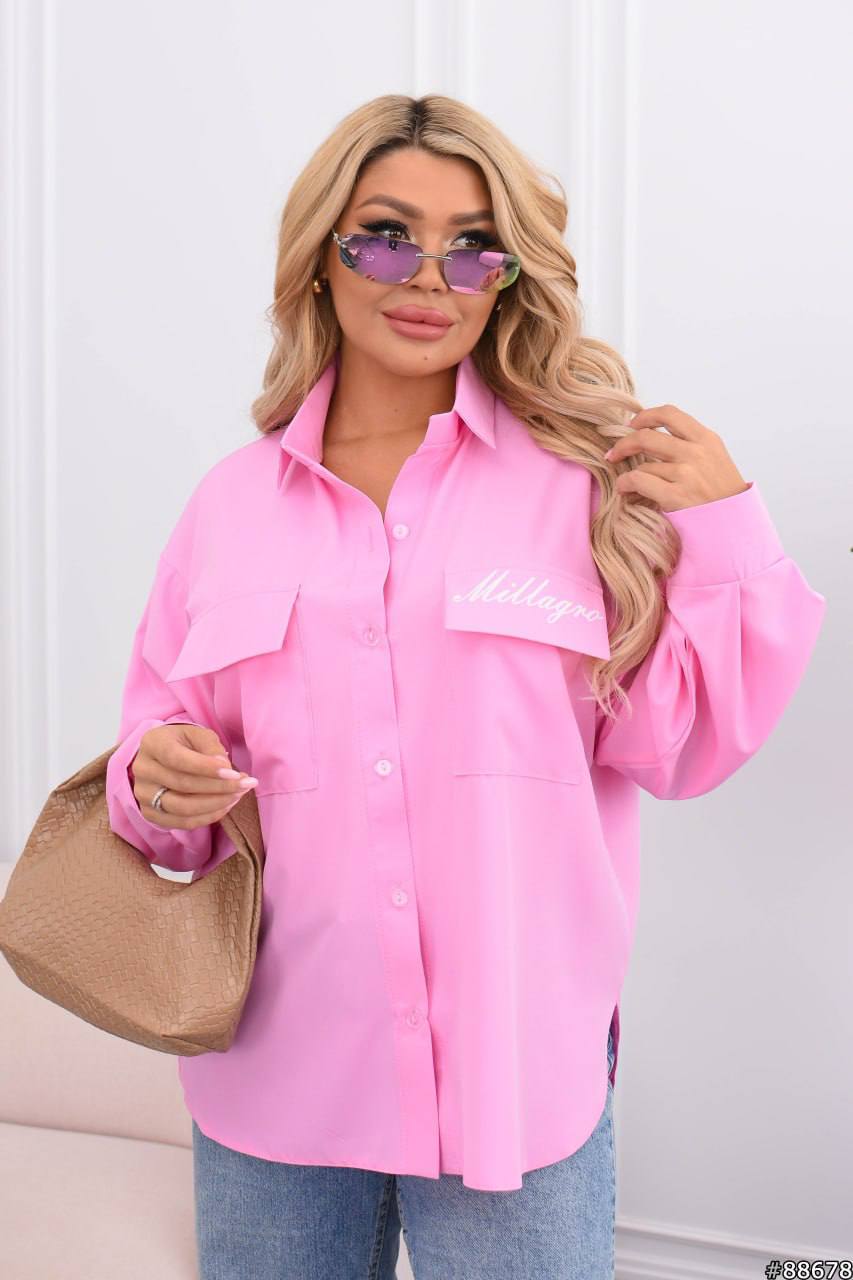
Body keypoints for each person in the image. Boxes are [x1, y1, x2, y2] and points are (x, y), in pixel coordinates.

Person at [105, 94, 826, 1280]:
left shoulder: (582, 487)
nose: (430, 276)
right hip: (276, 1076)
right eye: (386, 237)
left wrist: (727, 532)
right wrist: (152, 777)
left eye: (474, 246)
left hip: (515, 1081)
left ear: (509, 275)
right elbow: (161, 775)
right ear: (321, 256)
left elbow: (678, 748)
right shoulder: (229, 507)